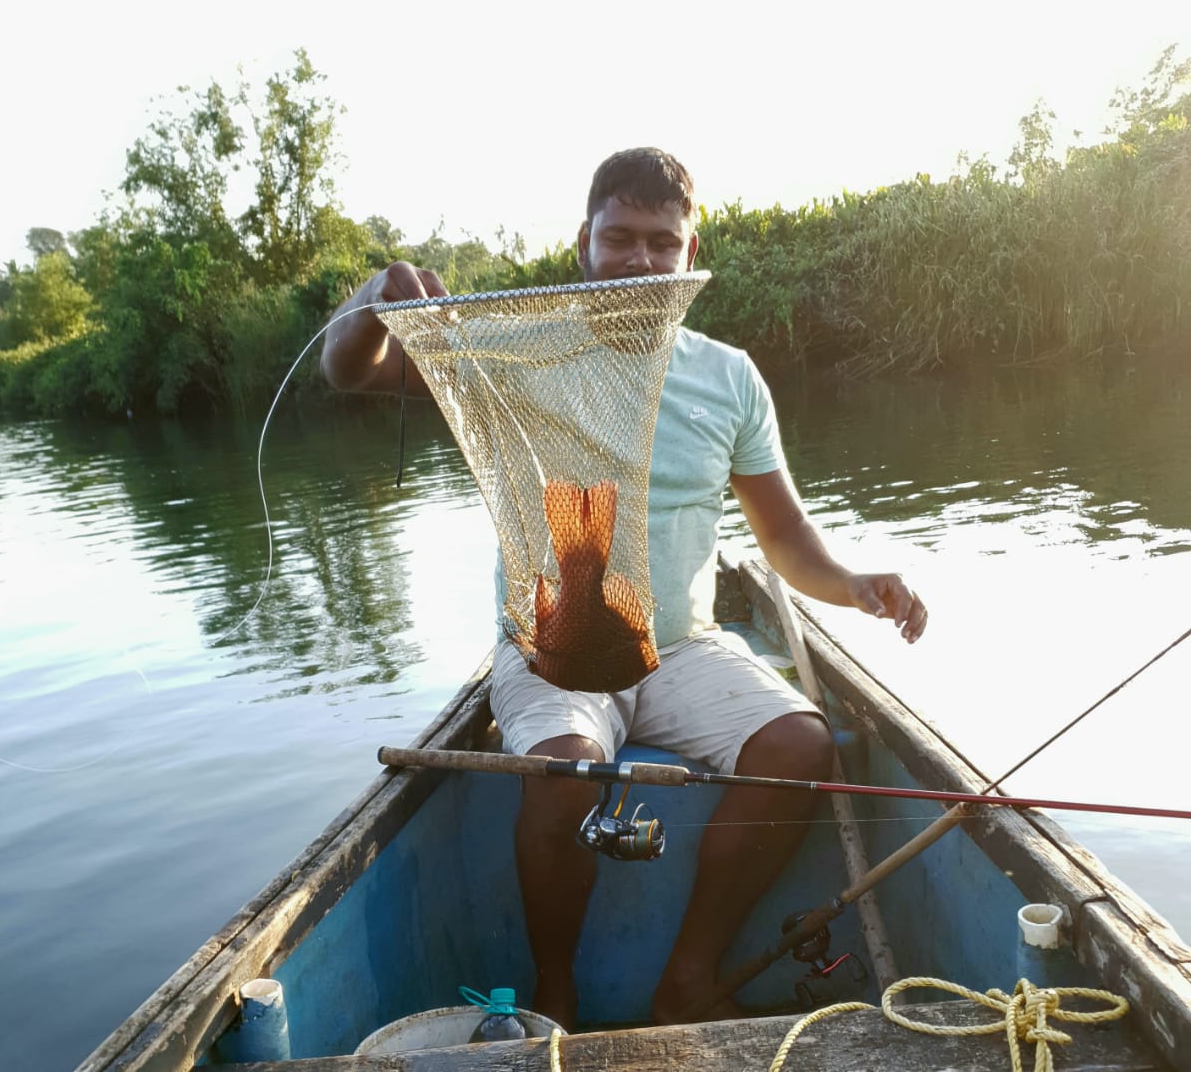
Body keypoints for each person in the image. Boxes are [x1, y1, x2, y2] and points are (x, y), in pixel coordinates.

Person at [321, 148, 927, 1029]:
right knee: (561, 771)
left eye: (661, 241)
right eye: (620, 238)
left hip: (682, 643)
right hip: (555, 641)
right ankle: (556, 989)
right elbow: (351, 370)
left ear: (690, 252)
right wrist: (376, 297)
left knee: (802, 745)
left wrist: (854, 584)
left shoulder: (729, 376)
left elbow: (785, 537)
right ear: (583, 241)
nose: (640, 260)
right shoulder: (511, 349)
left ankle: (688, 972)